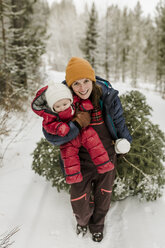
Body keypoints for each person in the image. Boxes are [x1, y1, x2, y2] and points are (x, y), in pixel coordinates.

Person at [36, 57, 132, 242]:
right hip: (78, 161)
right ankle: (82, 221)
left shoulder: (107, 96)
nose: (82, 88)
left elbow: (119, 120)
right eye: (76, 84)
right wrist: (77, 126)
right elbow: (51, 135)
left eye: (86, 81)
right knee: (79, 199)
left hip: (106, 155)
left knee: (104, 194)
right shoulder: (62, 100)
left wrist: (125, 140)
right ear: (71, 86)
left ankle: (97, 226)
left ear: (92, 80)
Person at [31, 82, 115, 184]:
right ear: (52, 107)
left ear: (70, 101)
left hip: (83, 131)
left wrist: (86, 106)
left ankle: (104, 164)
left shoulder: (75, 103)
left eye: (65, 104)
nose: (62, 107)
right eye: (57, 106)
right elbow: (48, 126)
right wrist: (58, 127)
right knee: (69, 156)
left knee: (94, 142)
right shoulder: (50, 116)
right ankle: (73, 177)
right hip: (69, 139)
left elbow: (82, 103)